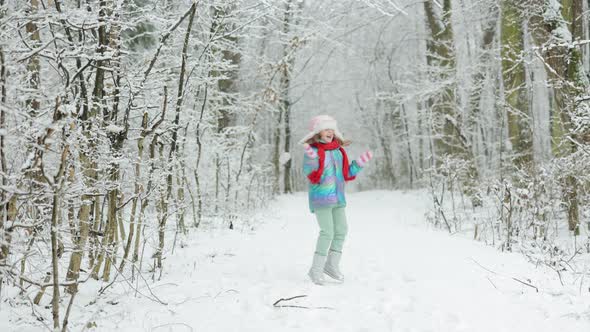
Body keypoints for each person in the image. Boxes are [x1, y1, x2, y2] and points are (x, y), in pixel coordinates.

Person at [300, 115, 372, 285]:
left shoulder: (339, 152)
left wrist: (359, 163)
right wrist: (311, 157)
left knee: (341, 230)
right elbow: (311, 173)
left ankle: (331, 265)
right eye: (326, 129)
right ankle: (316, 270)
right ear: (318, 133)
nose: (330, 132)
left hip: (338, 198)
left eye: (332, 129)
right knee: (327, 232)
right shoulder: (314, 151)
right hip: (322, 199)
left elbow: (346, 173)